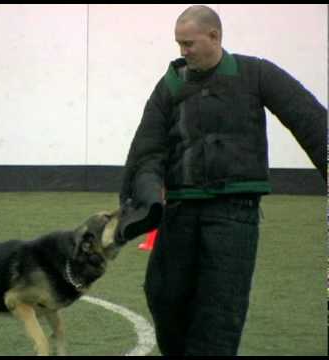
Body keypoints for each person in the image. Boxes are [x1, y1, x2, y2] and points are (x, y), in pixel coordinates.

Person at [116, 5, 327, 356]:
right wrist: (149, 198)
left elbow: (309, 119)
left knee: (219, 314)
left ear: (214, 37)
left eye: (189, 43)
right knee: (163, 296)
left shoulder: (256, 73)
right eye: (178, 43)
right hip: (180, 214)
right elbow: (147, 151)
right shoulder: (169, 86)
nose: (182, 51)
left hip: (235, 216)